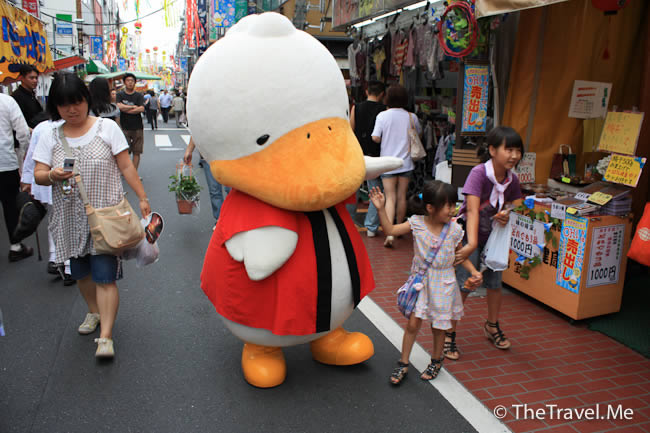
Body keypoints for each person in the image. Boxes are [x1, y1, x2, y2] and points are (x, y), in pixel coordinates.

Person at [33, 72, 151, 359]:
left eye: (76, 102)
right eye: (64, 105)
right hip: (70, 217)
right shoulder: (50, 135)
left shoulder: (106, 128)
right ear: (55, 107)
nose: (72, 110)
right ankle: (93, 311)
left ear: (85, 100)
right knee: (81, 273)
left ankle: (106, 336)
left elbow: (125, 166)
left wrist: (142, 197)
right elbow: (38, 174)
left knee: (104, 275)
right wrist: (52, 174)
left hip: (106, 214)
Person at [369, 181, 482, 385]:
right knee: (413, 323)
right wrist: (380, 208)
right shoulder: (416, 223)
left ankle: (436, 361)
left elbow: (459, 255)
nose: (452, 209)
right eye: (447, 205)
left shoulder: (455, 230)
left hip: (444, 282)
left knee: (439, 327)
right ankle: (403, 362)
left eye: (454, 204)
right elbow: (390, 229)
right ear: (430, 208)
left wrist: (474, 272)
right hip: (421, 281)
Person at [447, 126, 524, 360]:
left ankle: (491, 326)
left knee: (494, 282)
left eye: (517, 150)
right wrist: (470, 245)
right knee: (465, 284)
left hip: (494, 238)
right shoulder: (479, 173)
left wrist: (507, 211)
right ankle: (449, 333)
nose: (513, 155)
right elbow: (471, 210)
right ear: (492, 150)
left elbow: (518, 201)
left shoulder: (512, 178)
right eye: (508, 149)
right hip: (469, 235)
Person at [19, 112, 74, 284]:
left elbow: (30, 157)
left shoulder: (40, 128)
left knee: (54, 219)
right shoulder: (71, 127)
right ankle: (67, 265)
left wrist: (26, 180)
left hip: (45, 183)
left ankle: (55, 257)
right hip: (61, 181)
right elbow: (70, 156)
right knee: (67, 221)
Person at [371, 84, 421, 248]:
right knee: (401, 196)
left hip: (388, 163)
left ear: (388, 98)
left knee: (390, 197)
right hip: (406, 163)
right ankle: (399, 229)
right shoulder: (411, 116)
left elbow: (376, 138)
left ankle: (390, 234)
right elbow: (417, 133)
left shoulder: (382, 116)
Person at [348, 80, 386, 237]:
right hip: (376, 154)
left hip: (358, 154)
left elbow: (350, 130)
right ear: (382, 94)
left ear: (366, 92)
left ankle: (349, 223)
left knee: (352, 190)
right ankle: (371, 227)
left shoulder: (356, 108)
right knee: (375, 190)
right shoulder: (384, 110)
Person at [0, 93, 32, 261]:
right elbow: (22, 132)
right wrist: (22, 158)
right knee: (10, 206)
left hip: (6, 160)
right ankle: (15, 246)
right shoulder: (6, 101)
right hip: (5, 161)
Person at [183, 137, 230, 225]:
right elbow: (196, 129)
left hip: (229, 154)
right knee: (214, 190)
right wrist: (189, 150)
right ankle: (220, 221)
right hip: (208, 155)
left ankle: (233, 219)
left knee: (231, 190)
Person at [116, 73, 145, 170]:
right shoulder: (120, 94)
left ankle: (134, 172)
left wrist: (126, 109)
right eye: (128, 81)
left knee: (137, 151)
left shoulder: (139, 95)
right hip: (124, 126)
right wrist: (133, 107)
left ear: (135, 83)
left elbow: (141, 109)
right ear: (124, 82)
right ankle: (126, 171)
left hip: (138, 127)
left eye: (132, 81)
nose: (130, 83)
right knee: (124, 151)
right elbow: (119, 107)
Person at [12, 64, 44, 129]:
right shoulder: (17, 97)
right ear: (22, 78)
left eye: (36, 78)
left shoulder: (31, 94)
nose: (35, 81)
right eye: (31, 78)